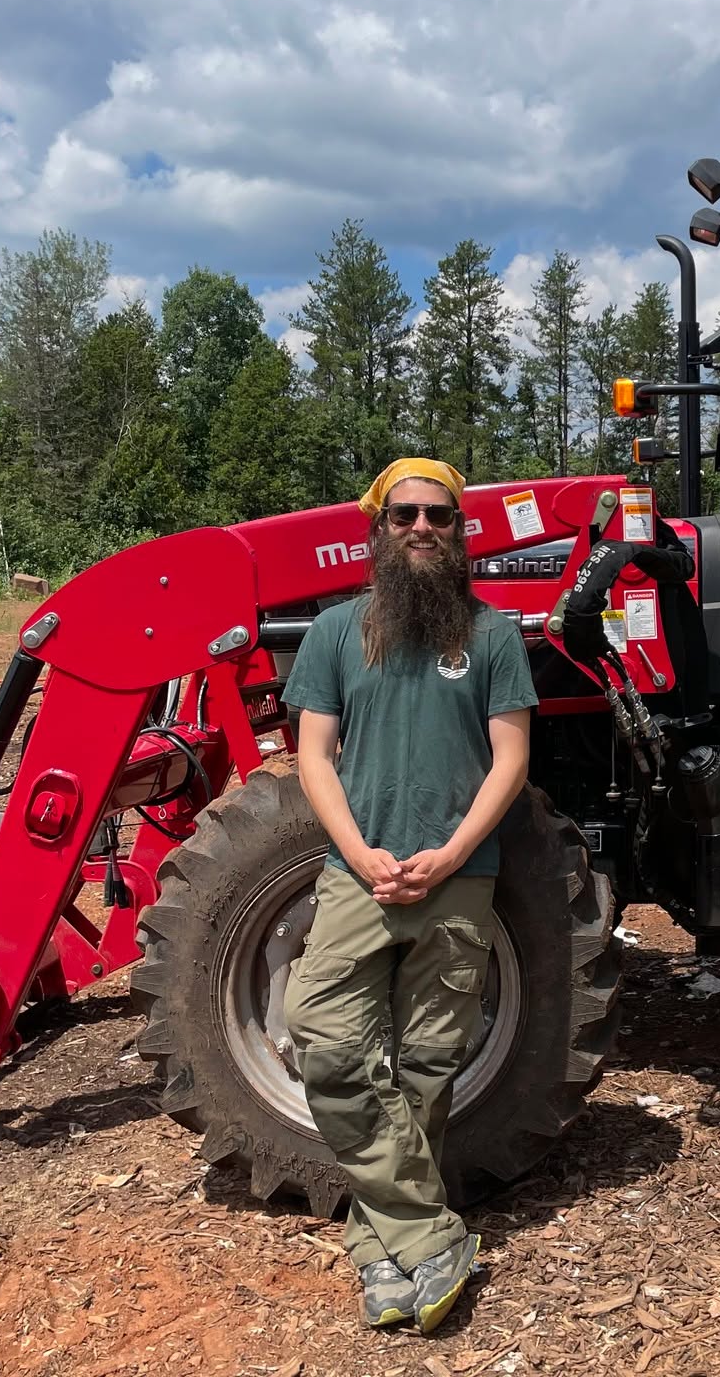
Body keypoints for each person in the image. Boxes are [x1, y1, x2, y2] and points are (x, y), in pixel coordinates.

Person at [282, 458, 538, 1333]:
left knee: (427, 1068)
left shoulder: (493, 636)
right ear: (378, 529)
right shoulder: (334, 633)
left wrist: (451, 850)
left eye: (438, 516)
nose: (422, 528)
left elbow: (511, 759)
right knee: (324, 1038)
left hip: (459, 878)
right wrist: (360, 851)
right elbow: (314, 757)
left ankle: (381, 1251)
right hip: (358, 875)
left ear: (460, 532)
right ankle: (431, 1237)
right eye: (405, 516)